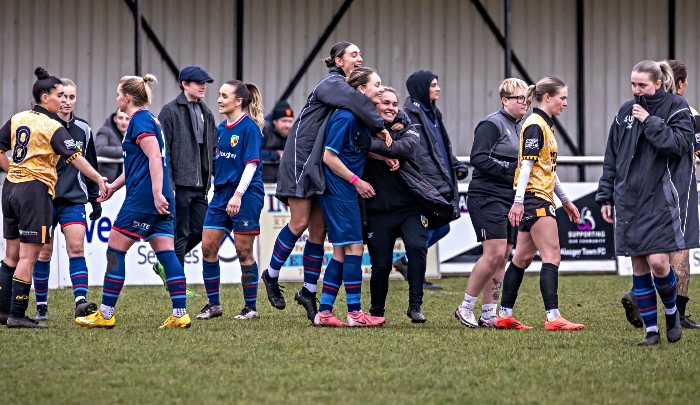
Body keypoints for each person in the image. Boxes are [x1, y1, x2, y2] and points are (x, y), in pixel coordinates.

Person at [260, 41, 393, 322]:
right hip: (301, 160)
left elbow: (359, 128)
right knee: (299, 223)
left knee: (318, 230)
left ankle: (309, 291)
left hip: (318, 165)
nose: (359, 58)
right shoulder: (332, 83)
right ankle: (271, 275)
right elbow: (360, 100)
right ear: (337, 60)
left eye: (360, 53)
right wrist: (381, 128)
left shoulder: (344, 89)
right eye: (353, 54)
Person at [75, 74, 190, 329]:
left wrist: (157, 193)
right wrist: (115, 187)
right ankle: (180, 313)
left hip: (144, 198)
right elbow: (137, 163)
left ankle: (105, 314)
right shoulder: (148, 119)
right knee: (167, 253)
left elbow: (154, 159)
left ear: (127, 97)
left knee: (115, 249)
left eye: (118, 93)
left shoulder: (139, 121)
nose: (116, 98)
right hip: (155, 196)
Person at [597, 60, 696, 345]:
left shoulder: (676, 107)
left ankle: (672, 311)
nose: (636, 90)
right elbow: (612, 156)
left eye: (642, 85)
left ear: (658, 84)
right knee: (638, 266)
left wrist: (649, 121)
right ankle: (651, 332)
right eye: (633, 84)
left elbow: (678, 146)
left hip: (661, 200)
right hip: (629, 200)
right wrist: (606, 195)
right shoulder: (625, 111)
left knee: (659, 263)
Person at [0, 67, 107, 328]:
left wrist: (12, 169)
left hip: (11, 187)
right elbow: (77, 158)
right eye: (59, 95)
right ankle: (17, 314)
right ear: (45, 97)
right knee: (30, 256)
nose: (63, 100)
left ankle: (3, 311)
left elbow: (1, 146)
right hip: (35, 193)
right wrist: (98, 178)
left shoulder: (18, 117)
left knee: (11, 255)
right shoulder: (52, 125)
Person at [496, 76, 584, 332]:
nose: (565, 103)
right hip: (535, 199)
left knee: (521, 257)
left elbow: (546, 168)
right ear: (548, 97)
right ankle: (553, 317)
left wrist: (565, 200)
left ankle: (504, 315)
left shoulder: (542, 125)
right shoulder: (535, 124)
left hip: (536, 197)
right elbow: (526, 166)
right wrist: (519, 201)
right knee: (552, 255)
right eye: (562, 98)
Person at [314, 67, 386, 327]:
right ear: (360, 90)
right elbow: (329, 157)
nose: (380, 88)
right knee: (354, 247)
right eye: (376, 84)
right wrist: (357, 181)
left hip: (345, 190)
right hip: (339, 191)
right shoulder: (345, 117)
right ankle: (355, 314)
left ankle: (324, 313)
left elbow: (354, 150)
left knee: (342, 251)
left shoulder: (360, 117)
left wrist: (384, 156)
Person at [455, 78, 528, 328]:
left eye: (527, 99)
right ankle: (465, 307)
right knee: (494, 252)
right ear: (504, 100)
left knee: (504, 255)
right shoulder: (491, 123)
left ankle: (489, 313)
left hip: (510, 199)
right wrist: (512, 170)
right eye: (519, 98)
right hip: (487, 196)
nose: (524, 103)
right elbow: (478, 158)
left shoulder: (520, 126)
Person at [32, 78, 102, 321]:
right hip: (44, 198)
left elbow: (90, 164)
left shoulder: (84, 129)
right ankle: (41, 305)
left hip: (73, 199)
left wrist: (94, 199)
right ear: (53, 97)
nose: (66, 101)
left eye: (71, 97)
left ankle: (80, 301)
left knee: (76, 248)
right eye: (62, 96)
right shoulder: (43, 126)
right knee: (44, 253)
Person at [196, 80, 265, 321]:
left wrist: (238, 194)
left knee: (243, 252)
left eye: (224, 95)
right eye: (219, 95)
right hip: (221, 195)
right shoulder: (221, 129)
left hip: (245, 195)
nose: (219, 99)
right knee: (207, 247)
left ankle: (251, 308)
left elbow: (251, 164)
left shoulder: (249, 128)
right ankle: (214, 305)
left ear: (239, 101)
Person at [395, 70, 469, 290]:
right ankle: (413, 270)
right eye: (433, 85)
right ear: (422, 89)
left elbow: (440, 148)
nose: (438, 89)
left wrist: (455, 165)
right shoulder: (410, 115)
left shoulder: (433, 113)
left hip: (439, 182)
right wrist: (434, 185)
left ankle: (408, 264)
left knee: (442, 227)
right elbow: (421, 156)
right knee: (426, 229)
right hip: (427, 185)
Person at [363, 87, 429, 323]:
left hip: (410, 206)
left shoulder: (406, 125)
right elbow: (356, 143)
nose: (391, 107)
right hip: (378, 210)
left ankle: (415, 306)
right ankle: (376, 312)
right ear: (374, 106)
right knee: (381, 264)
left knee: (417, 247)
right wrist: (377, 151)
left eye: (394, 103)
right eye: (385, 103)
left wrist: (372, 148)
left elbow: (406, 148)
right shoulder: (361, 127)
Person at [155, 66, 217, 290]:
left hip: (201, 186)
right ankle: (178, 285)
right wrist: (168, 184)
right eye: (198, 82)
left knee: (202, 231)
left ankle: (166, 263)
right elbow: (164, 152)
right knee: (180, 234)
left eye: (205, 83)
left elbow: (214, 149)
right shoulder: (169, 111)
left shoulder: (207, 113)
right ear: (184, 84)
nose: (203, 86)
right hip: (179, 186)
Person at [261, 100, 294, 183]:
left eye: (290, 121)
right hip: (262, 183)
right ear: (274, 121)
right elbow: (252, 153)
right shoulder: (263, 130)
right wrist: (276, 155)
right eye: (284, 121)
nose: (287, 125)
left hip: (284, 183)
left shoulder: (293, 132)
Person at [95, 109, 129, 182]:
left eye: (127, 119)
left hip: (120, 184)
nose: (123, 122)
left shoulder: (129, 134)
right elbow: (99, 149)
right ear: (115, 119)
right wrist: (126, 150)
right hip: (105, 183)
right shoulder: (105, 130)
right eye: (120, 118)